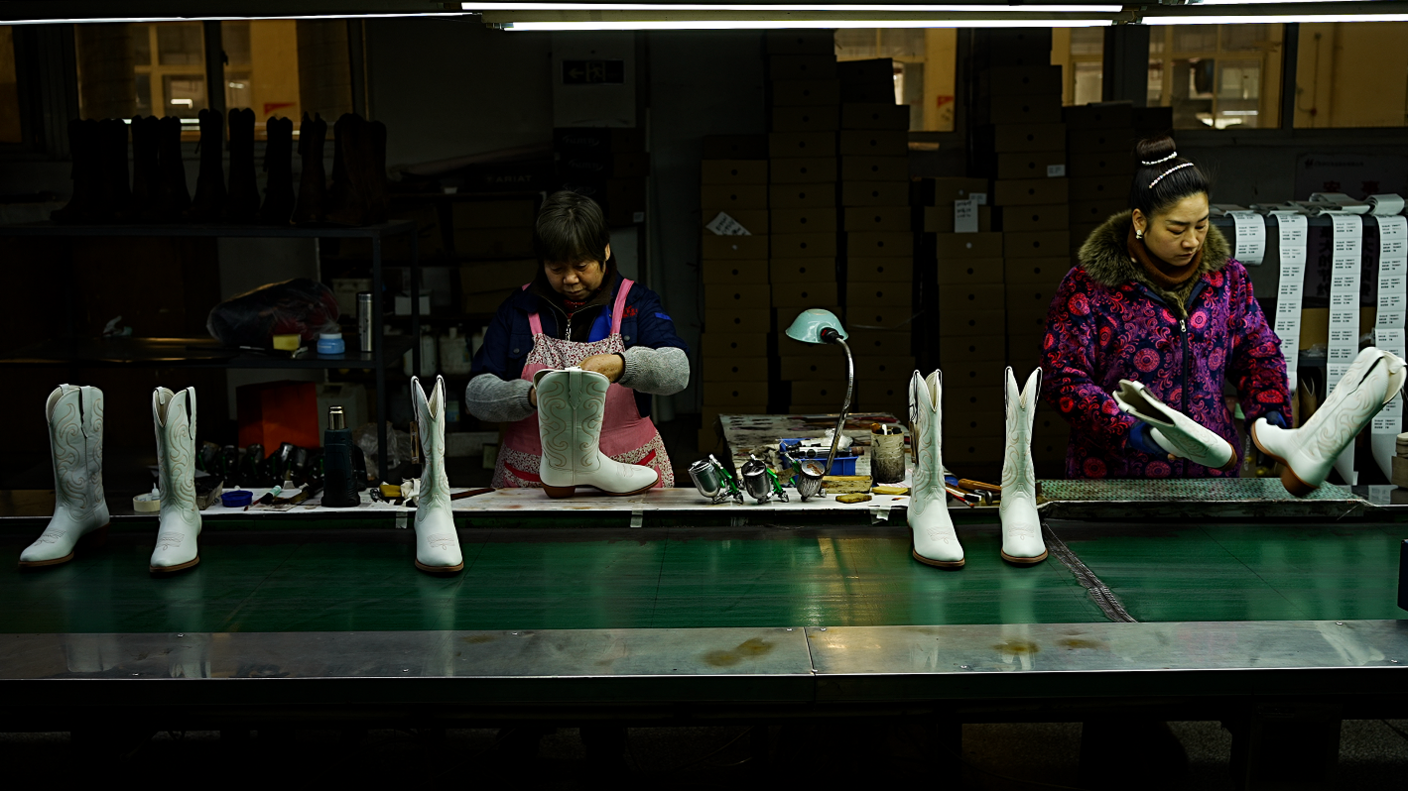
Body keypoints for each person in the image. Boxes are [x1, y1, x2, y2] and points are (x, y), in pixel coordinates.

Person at [1040, 135, 1290, 479]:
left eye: (1201, 225)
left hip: (1209, 475)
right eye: (1177, 229)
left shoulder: (1227, 279)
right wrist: (1124, 428)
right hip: (1115, 476)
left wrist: (1269, 408)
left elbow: (1258, 353)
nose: (1192, 241)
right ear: (1141, 221)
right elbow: (1062, 377)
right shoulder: (1088, 286)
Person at [467, 191, 689, 489]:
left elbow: (678, 371)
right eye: (556, 268)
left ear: (605, 252)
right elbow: (476, 395)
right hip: (533, 483)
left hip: (629, 475)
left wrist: (623, 366)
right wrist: (532, 396)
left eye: (581, 266)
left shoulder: (638, 304)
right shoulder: (518, 309)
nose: (570, 279)